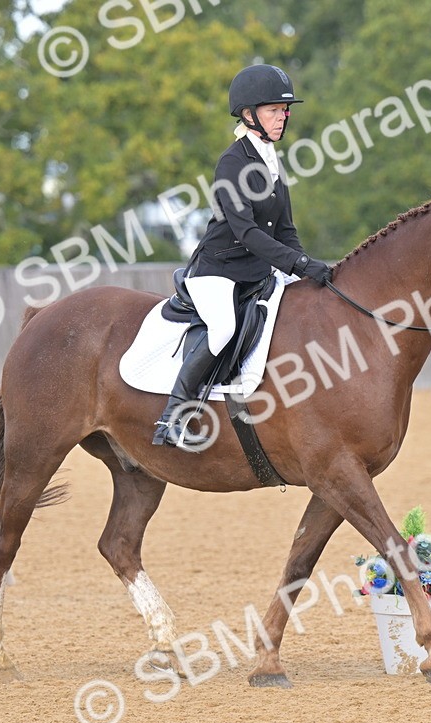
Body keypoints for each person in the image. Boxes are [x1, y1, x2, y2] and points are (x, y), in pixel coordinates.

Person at [152, 63, 332, 448]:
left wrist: (310, 269)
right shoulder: (232, 163)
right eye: (273, 110)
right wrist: (297, 264)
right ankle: (173, 417)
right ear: (249, 115)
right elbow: (246, 232)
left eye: (285, 110)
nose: (283, 116)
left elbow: (285, 230)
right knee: (224, 329)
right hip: (218, 271)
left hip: (259, 270)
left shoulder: (270, 159)